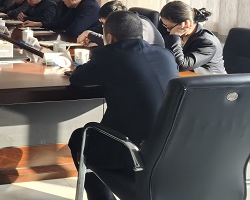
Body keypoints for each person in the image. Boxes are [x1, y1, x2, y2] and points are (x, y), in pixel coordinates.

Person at [68, 11, 178, 200]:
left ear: (109, 37)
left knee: (80, 139)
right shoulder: (165, 54)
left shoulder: (108, 55)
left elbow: (78, 79)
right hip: (171, 147)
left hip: (132, 148)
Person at [159, 0, 226, 75]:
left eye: (170, 27)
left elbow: (181, 65)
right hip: (188, 76)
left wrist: (174, 36)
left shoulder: (207, 42)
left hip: (210, 80)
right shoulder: (179, 32)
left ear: (186, 23)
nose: (168, 30)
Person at [77, 0, 164, 48]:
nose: (103, 26)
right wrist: (89, 35)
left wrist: (90, 34)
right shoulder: (122, 23)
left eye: (104, 23)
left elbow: (127, 48)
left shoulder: (139, 25)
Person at [22, 0, 99, 36]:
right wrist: (39, 24)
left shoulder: (90, 7)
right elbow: (62, 23)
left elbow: (75, 30)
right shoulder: (75, 5)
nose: (62, 0)